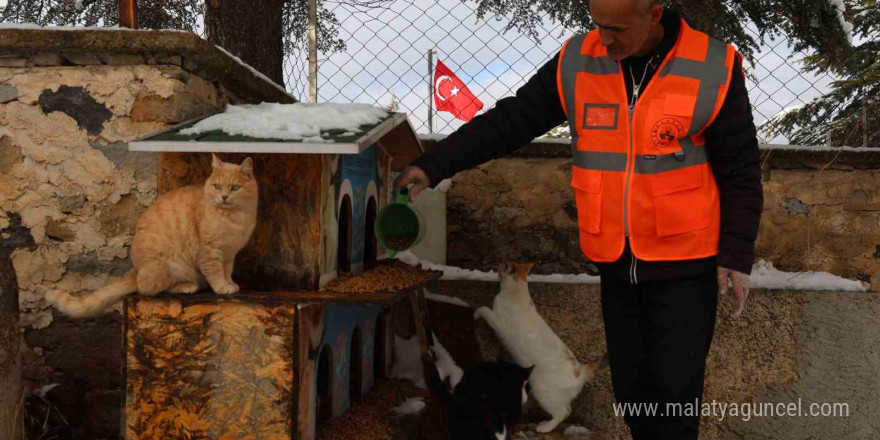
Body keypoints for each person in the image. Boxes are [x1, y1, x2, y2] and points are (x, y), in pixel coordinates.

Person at [393, 0, 764, 438]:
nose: (604, 39)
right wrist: (434, 165)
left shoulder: (712, 66)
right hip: (617, 263)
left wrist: (736, 255)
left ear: (654, 13)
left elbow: (740, 169)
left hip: (686, 262)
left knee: (674, 394)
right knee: (632, 392)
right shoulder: (579, 60)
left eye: (617, 29)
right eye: (598, 25)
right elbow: (511, 121)